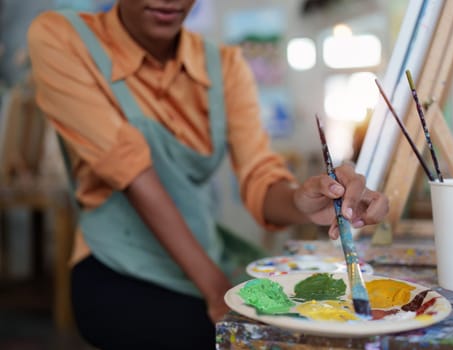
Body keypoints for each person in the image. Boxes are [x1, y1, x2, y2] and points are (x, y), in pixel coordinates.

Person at [27, 1, 389, 349]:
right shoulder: (62, 37)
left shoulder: (225, 66)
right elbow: (133, 174)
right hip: (117, 269)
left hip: (208, 258)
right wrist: (216, 291)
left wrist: (304, 200)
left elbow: (260, 179)